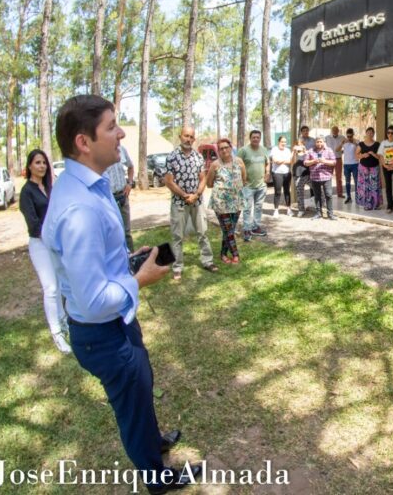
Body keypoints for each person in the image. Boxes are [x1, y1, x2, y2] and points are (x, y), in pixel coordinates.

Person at [42, 96, 197, 494]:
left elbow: (95, 266)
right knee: (131, 403)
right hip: (103, 332)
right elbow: (93, 299)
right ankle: (157, 477)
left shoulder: (90, 187)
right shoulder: (78, 208)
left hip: (117, 323)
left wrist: (128, 261)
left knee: (141, 385)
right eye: (112, 126)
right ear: (83, 142)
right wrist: (141, 279)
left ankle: (152, 441)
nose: (122, 132)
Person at [19, 149, 70, 354]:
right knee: (50, 288)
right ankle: (56, 333)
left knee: (60, 284)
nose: (42, 166)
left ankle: (64, 322)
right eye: (37, 163)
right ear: (30, 166)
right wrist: (50, 238)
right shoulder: (26, 192)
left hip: (56, 242)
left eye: (44, 163)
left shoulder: (50, 187)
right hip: (40, 245)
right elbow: (33, 224)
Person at [164, 127, 218, 280]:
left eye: (191, 137)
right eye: (186, 136)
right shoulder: (172, 157)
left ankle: (207, 261)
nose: (188, 139)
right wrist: (185, 195)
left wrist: (196, 195)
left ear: (194, 139)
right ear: (180, 137)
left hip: (197, 202)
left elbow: (203, 179)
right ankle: (177, 267)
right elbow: (169, 181)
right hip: (178, 202)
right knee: (177, 236)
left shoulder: (198, 157)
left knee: (203, 232)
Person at [207, 138, 246, 264]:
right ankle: (236, 255)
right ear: (218, 151)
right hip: (221, 202)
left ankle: (223, 254)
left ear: (231, 148)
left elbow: (244, 179)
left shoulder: (239, 162)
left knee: (228, 230)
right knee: (228, 229)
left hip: (237, 200)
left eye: (226, 147)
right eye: (221, 148)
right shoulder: (215, 165)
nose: (224, 150)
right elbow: (209, 183)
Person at [237, 129, 269, 240]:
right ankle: (247, 229)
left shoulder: (264, 150)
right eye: (253, 137)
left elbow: (267, 163)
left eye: (258, 137)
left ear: (260, 138)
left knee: (258, 207)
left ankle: (256, 227)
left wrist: (267, 174)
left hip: (261, 185)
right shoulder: (243, 151)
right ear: (250, 138)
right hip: (248, 186)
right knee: (247, 208)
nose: (256, 139)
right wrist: (242, 180)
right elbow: (237, 166)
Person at [104, 143, 135, 252]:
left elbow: (130, 167)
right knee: (113, 233)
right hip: (108, 199)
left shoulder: (122, 150)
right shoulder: (100, 153)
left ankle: (132, 260)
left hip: (123, 196)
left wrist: (129, 183)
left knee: (126, 232)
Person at [305, 136, 337, 220]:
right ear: (315, 143)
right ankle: (318, 213)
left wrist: (324, 161)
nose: (319, 143)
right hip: (315, 177)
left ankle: (330, 214)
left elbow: (334, 162)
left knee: (329, 195)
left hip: (326, 176)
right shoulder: (311, 151)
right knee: (317, 196)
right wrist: (313, 161)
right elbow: (305, 162)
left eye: (321, 141)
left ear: (324, 142)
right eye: (317, 142)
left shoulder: (329, 150)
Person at [356, 127, 382, 210]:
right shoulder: (361, 144)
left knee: (375, 186)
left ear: (374, 134)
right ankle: (367, 204)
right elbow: (356, 155)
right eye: (368, 132)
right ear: (366, 133)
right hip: (363, 168)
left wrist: (373, 154)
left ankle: (376, 204)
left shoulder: (377, 144)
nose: (370, 134)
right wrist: (363, 155)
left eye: (372, 132)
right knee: (365, 186)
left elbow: (380, 157)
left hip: (374, 168)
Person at [269, 136, 294, 216]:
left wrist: (281, 161)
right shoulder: (274, 149)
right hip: (277, 173)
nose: (284, 143)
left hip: (287, 173)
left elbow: (291, 161)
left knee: (287, 191)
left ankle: (289, 209)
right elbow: (276, 161)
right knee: (278, 192)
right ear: (278, 142)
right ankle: (276, 210)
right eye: (282, 142)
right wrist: (285, 161)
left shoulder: (287, 150)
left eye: (285, 142)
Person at [292, 129, 313, 217]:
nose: (301, 143)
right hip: (298, 172)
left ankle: (316, 205)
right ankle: (301, 209)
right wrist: (294, 152)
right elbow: (293, 161)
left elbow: (310, 157)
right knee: (299, 191)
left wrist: (305, 150)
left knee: (316, 188)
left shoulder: (309, 151)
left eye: (302, 142)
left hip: (307, 171)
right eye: (299, 142)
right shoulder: (295, 151)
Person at [325, 125, 345, 198]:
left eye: (336, 130)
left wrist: (342, 151)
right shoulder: (327, 138)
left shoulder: (342, 137)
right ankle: (328, 193)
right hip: (329, 159)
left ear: (338, 131)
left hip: (338, 159)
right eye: (333, 130)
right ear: (331, 131)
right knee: (328, 176)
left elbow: (346, 146)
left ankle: (339, 193)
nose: (335, 131)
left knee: (339, 177)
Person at [341, 128, 359, 204]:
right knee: (347, 182)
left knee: (356, 181)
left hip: (355, 164)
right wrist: (342, 143)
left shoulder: (356, 141)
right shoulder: (344, 141)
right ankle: (349, 197)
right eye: (348, 136)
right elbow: (337, 150)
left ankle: (357, 197)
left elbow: (360, 149)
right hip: (346, 165)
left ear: (353, 135)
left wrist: (354, 142)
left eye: (350, 136)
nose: (349, 138)